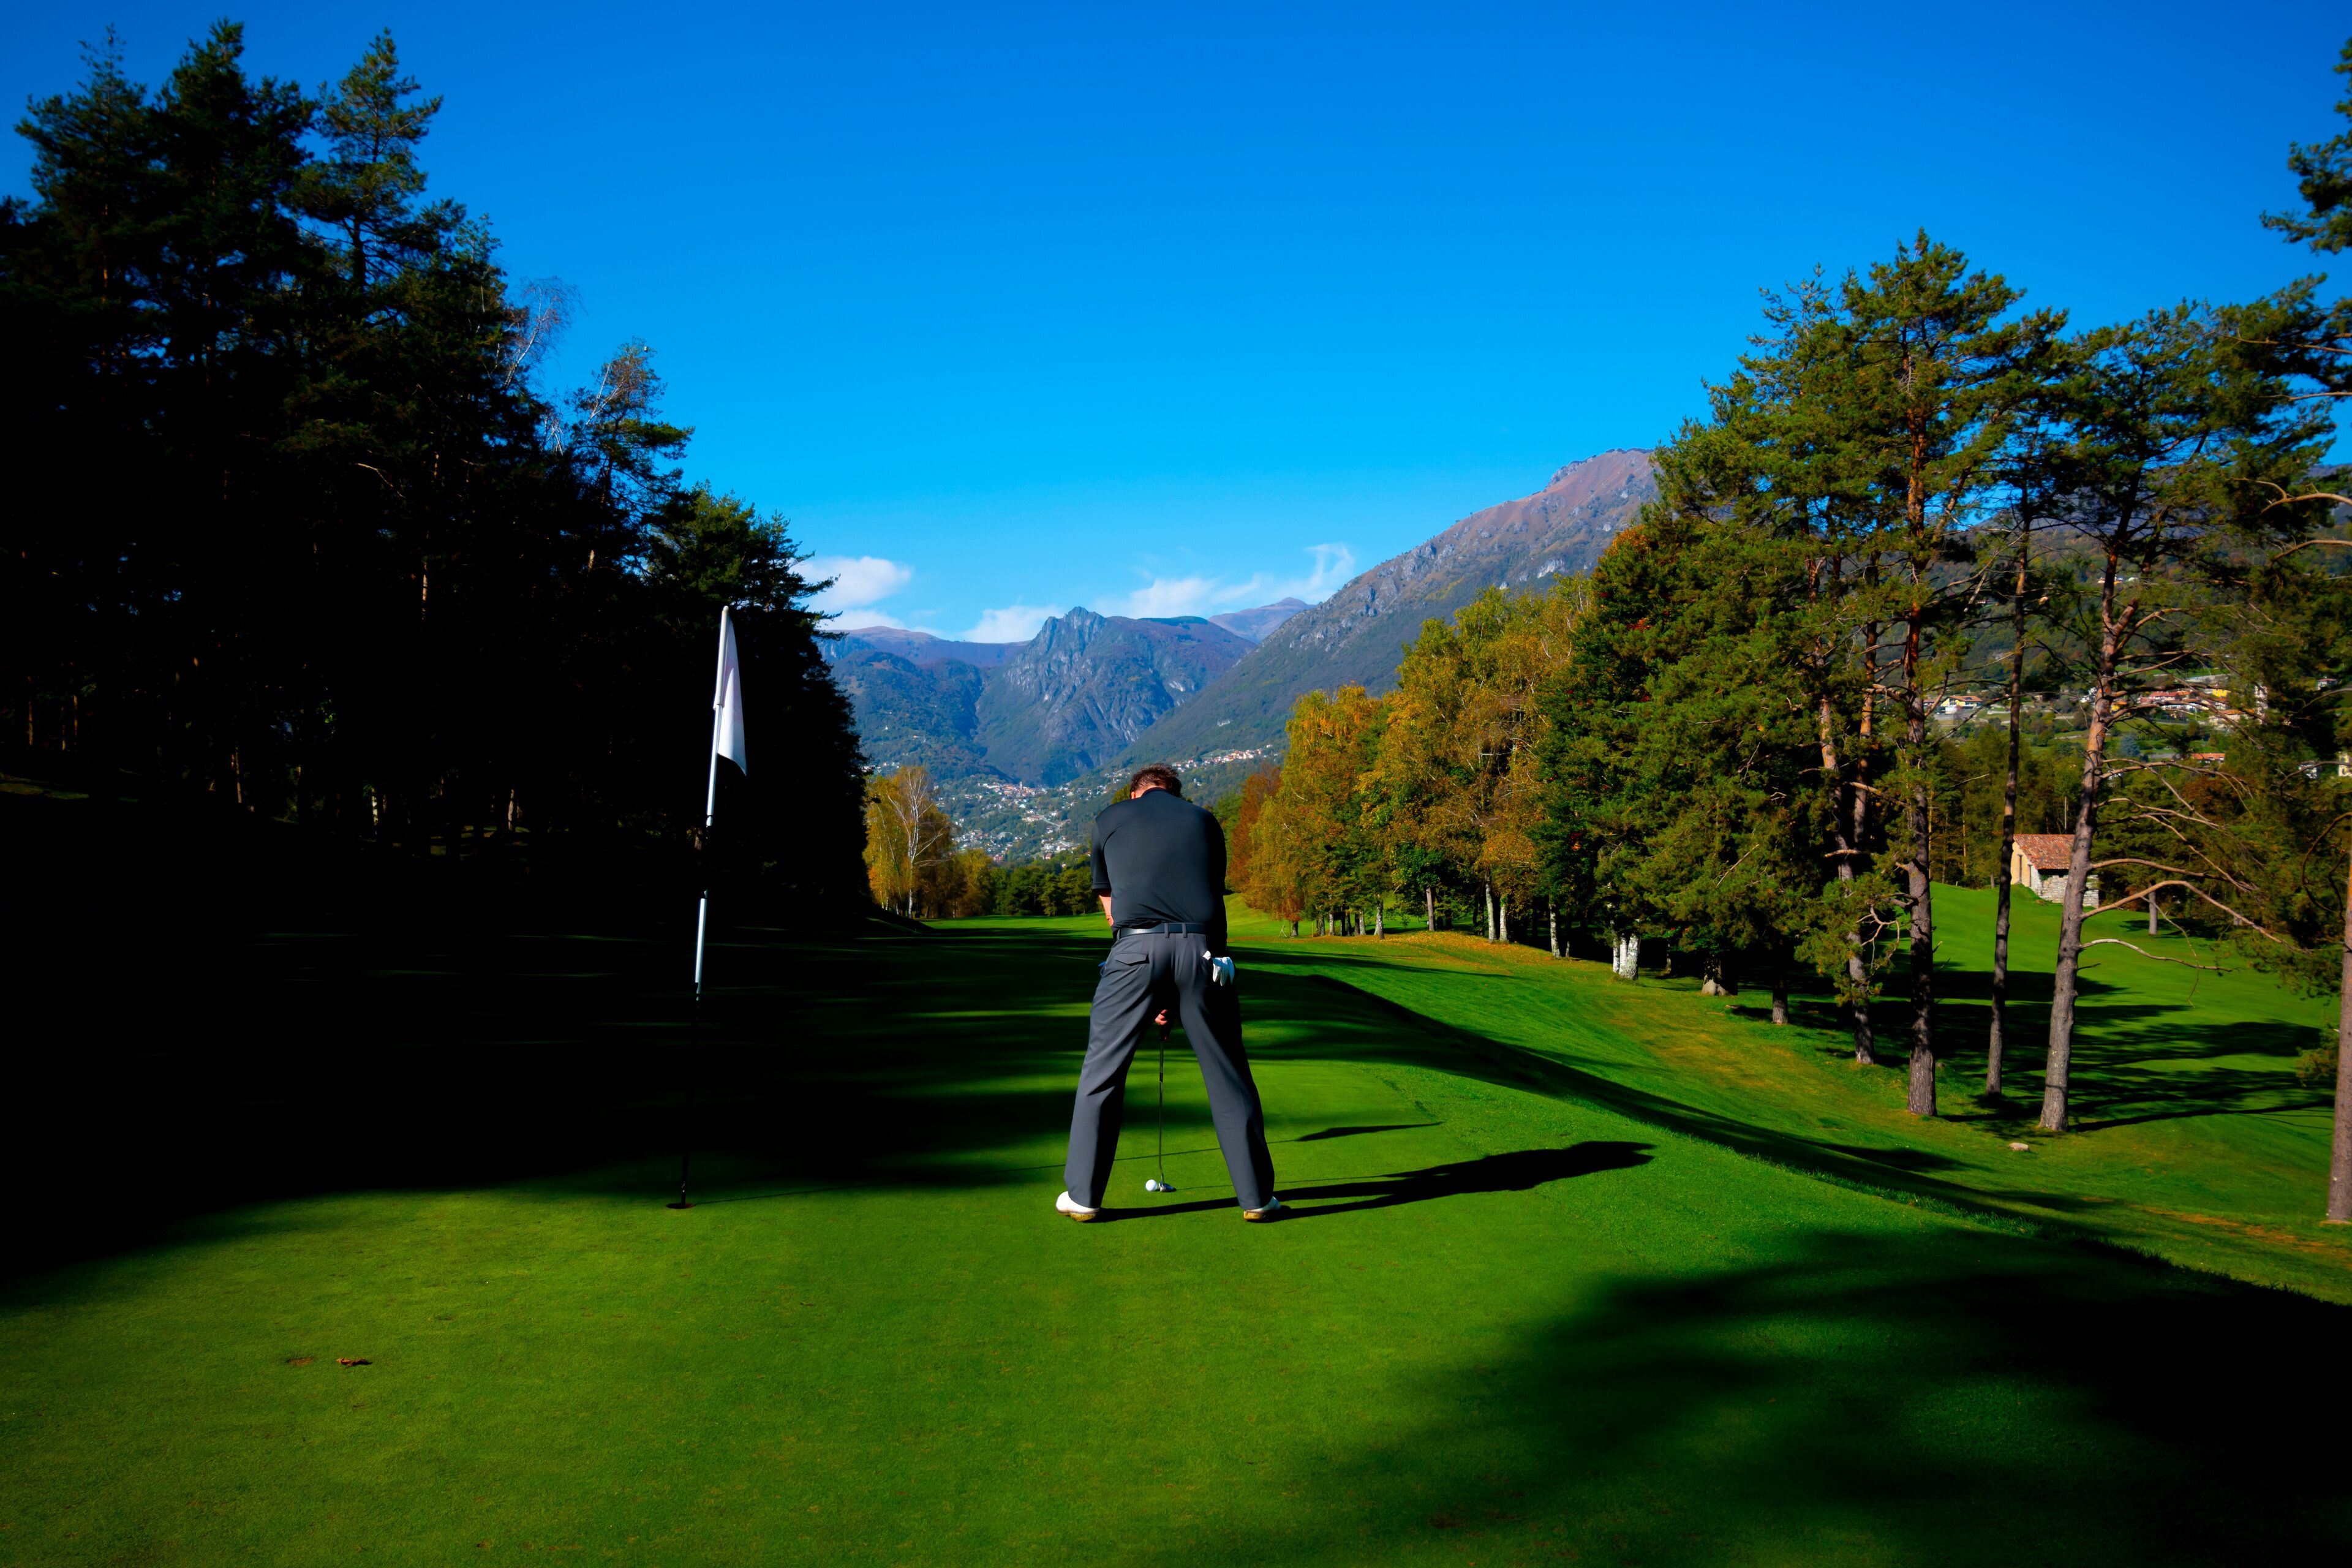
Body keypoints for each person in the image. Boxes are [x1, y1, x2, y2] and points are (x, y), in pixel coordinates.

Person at [1057, 764, 1281, 1222]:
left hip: (1133, 950)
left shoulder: (1108, 819)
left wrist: (1152, 987)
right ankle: (1257, 1199)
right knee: (1228, 1074)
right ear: (1175, 793)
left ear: (1135, 794)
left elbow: (1111, 908)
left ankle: (1083, 1197)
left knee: (1102, 1073)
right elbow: (1210, 895)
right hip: (1204, 950)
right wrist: (1190, 980)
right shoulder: (1204, 820)